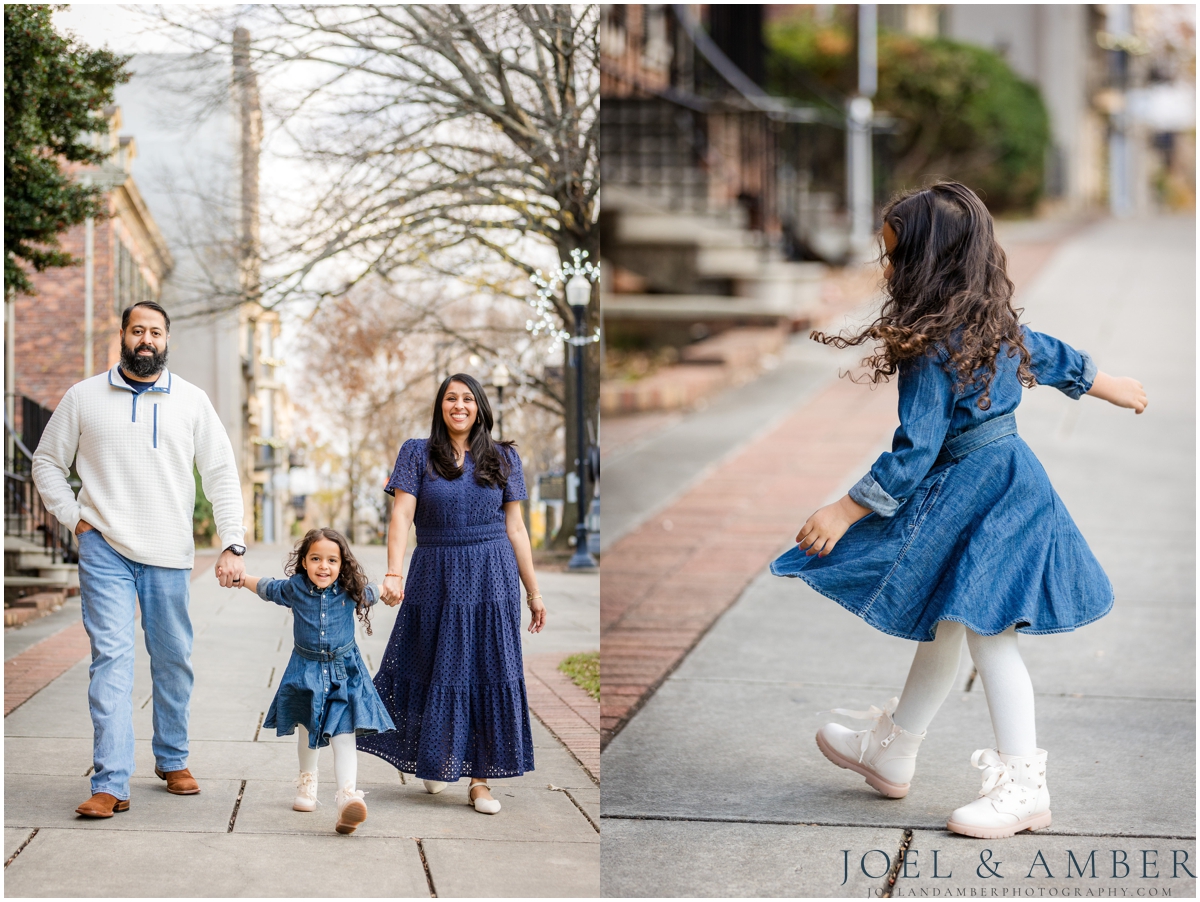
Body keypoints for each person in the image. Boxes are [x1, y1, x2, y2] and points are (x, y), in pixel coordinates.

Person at [770, 182, 1147, 840]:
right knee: (952, 620)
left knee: (990, 637)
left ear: (924, 265)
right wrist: (1113, 387)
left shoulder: (931, 345)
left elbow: (914, 453)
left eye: (892, 256)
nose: (884, 269)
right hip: (1005, 485)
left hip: (986, 497)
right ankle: (894, 749)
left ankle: (1025, 785)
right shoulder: (989, 323)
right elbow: (1053, 358)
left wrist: (845, 510)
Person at [31, 301, 249, 818]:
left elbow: (220, 472)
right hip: (104, 547)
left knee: (173, 660)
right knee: (111, 658)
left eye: (155, 332)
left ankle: (172, 758)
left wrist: (232, 541)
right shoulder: (83, 397)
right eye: (137, 331)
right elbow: (46, 461)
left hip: (169, 553)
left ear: (166, 339)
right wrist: (71, 516)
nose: (146, 339)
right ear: (123, 337)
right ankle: (110, 781)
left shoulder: (192, 401)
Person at [357, 373, 547, 815]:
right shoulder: (416, 453)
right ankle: (437, 756)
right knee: (429, 662)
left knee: (485, 668)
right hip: (435, 570)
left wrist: (533, 593)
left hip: (492, 575)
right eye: (450, 399)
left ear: (479, 406)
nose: (458, 405)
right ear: (440, 407)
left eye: (467, 399)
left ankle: (480, 782)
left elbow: (516, 529)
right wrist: (393, 573)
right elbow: (401, 516)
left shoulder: (504, 458)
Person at [231, 528, 394, 834]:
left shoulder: (351, 590)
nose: (323, 566)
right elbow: (268, 588)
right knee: (308, 728)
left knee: (344, 734)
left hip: (343, 672)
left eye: (332, 560)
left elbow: (379, 591)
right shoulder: (295, 588)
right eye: (316, 558)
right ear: (304, 562)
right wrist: (242, 579)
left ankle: (348, 797)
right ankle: (307, 783)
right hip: (305, 670)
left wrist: (392, 587)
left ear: (342, 564)